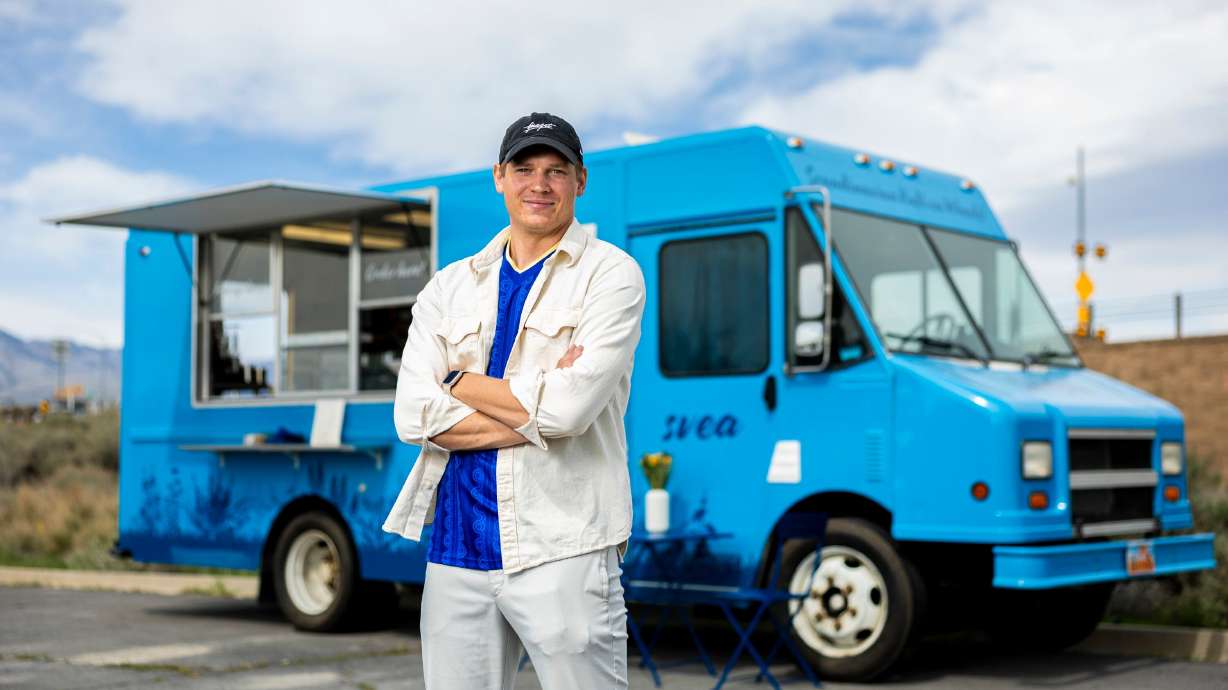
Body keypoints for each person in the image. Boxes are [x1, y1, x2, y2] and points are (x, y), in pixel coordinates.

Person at [382, 112, 645, 689]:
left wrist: (457, 382)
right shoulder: (448, 286)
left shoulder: (611, 276)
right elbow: (412, 416)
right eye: (524, 168)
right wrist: (542, 405)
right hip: (456, 548)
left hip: (565, 545)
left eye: (557, 170)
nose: (540, 184)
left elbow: (572, 411)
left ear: (581, 180)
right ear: (499, 176)